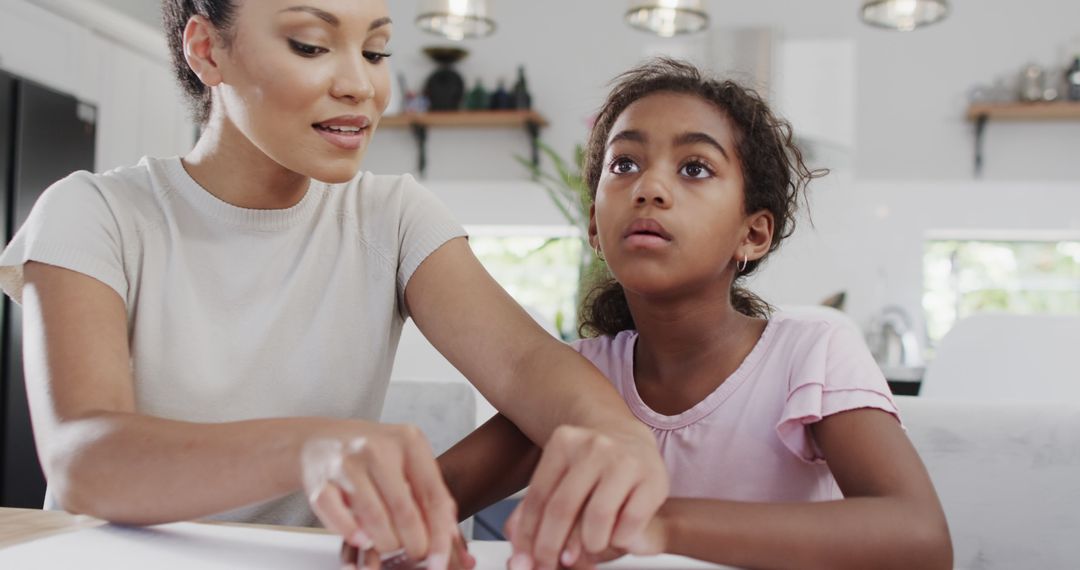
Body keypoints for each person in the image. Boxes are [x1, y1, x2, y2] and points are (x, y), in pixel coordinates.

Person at [0, 2, 671, 569]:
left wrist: (619, 440)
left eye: (376, 51)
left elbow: (528, 365)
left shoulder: (392, 216)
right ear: (208, 51)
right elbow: (86, 460)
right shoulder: (94, 213)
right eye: (311, 45)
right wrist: (314, 447)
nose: (361, 86)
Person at [439, 58, 953, 569]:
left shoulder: (812, 353)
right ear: (595, 226)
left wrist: (661, 525)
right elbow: (434, 496)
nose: (649, 188)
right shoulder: (578, 381)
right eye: (624, 165)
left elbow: (921, 540)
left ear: (752, 233)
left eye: (694, 168)